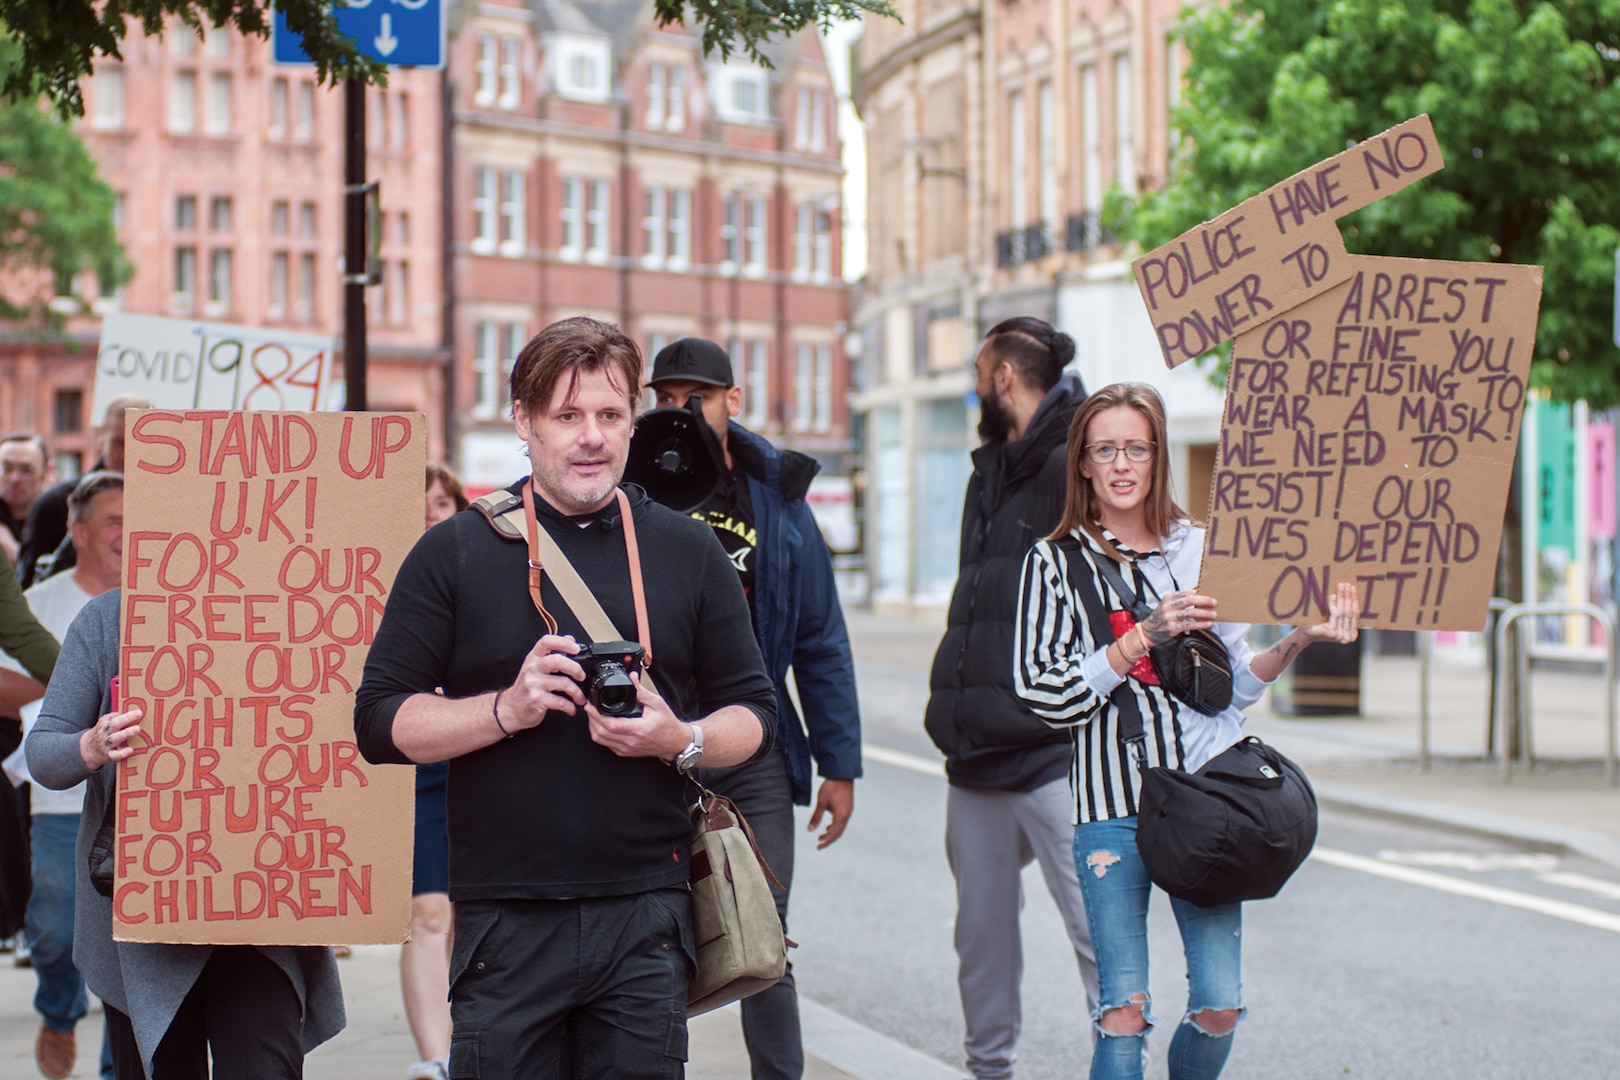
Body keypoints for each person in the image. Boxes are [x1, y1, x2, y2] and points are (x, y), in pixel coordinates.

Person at [354, 316, 777, 1080]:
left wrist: (678, 737)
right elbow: (380, 721)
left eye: (610, 415)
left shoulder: (688, 550)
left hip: (648, 914)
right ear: (524, 421)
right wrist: (503, 710)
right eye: (567, 416)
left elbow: (756, 715)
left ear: (632, 422)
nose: (592, 437)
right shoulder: (454, 551)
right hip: (503, 925)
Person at [1012, 382, 1360, 1080]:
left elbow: (1233, 688)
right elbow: (1043, 695)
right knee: (1124, 1011)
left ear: (1157, 456)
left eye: (1135, 448)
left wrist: (1296, 639)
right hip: (1111, 811)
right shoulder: (1053, 563)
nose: (1121, 464)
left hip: (1206, 806)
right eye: (1104, 449)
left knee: (1220, 1004)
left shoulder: (1200, 549)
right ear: (1082, 463)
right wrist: (1143, 635)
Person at [648, 338, 862, 1080]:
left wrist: (840, 764)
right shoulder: (633, 483)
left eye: (694, 397)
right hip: (653, 749)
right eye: (665, 398)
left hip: (755, 747)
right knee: (653, 941)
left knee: (764, 938)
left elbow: (821, 638)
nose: (679, 412)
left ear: (731, 401)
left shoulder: (777, 495)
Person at [25, 600, 345, 1074]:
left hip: (259, 910)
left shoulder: (286, 608)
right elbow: (43, 752)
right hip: (145, 922)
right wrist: (91, 745)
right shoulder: (108, 619)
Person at [922, 317, 1097, 1080]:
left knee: (1100, 934)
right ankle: (988, 1071)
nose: (972, 385)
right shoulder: (986, 473)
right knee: (981, 941)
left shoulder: (1076, 463)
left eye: (976, 371)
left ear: (1002, 379)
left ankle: (1121, 1064)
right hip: (976, 752)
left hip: (1058, 753)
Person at [0, 472, 122, 1079]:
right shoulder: (43, 603)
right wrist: (77, 695)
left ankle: (114, 1066)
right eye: (114, 520)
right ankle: (58, 1009)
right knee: (50, 932)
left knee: (130, 951)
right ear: (78, 531)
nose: (128, 533)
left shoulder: (173, 598)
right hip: (59, 797)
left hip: (138, 806)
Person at [400, 461, 470, 1080]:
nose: (428, 514)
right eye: (415, 505)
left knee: (472, 916)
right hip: (411, 774)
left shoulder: (480, 571)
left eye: (439, 504)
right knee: (427, 913)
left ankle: (473, 1047)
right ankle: (434, 1059)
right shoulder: (372, 581)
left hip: (477, 767)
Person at [19, 395, 149, 588]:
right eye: (119, 442)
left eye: (138, 443)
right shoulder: (54, 504)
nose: (127, 453)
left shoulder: (172, 506)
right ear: (100, 437)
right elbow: (31, 590)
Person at [1, 433, 51, 567]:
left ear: (46, 472)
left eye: (26, 470)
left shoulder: (57, 517)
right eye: (6, 469)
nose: (14, 478)